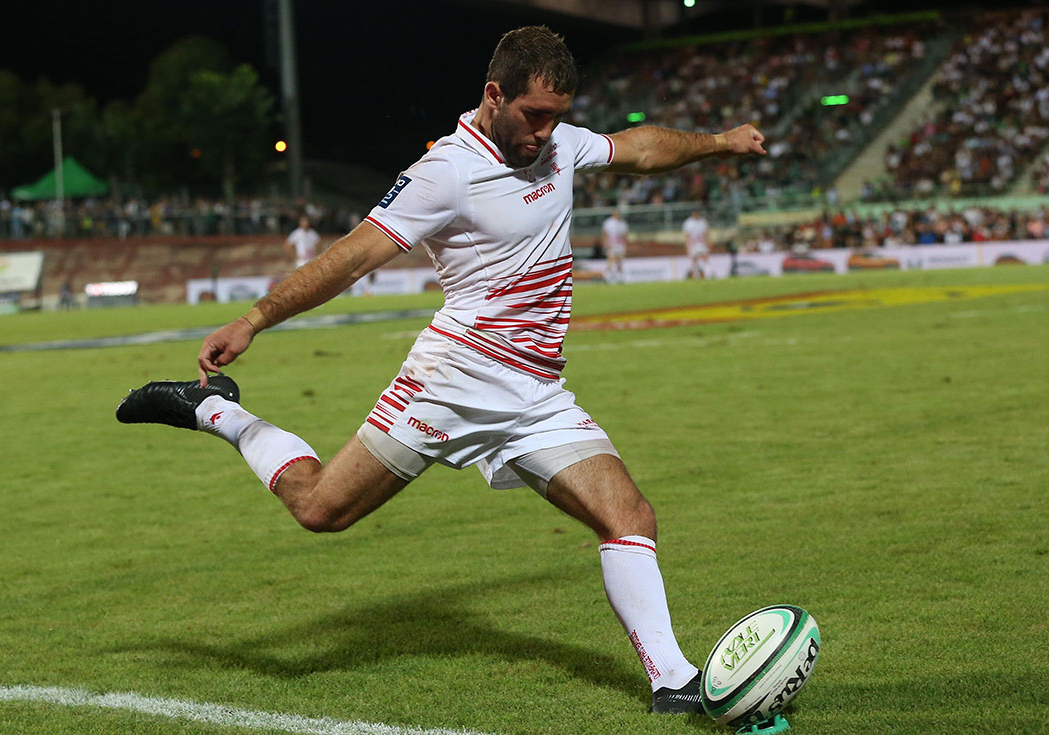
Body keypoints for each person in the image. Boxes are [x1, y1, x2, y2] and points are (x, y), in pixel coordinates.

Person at [117, 25, 766, 714]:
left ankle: (672, 681)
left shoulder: (558, 142)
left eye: (556, 116)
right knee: (318, 509)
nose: (546, 133)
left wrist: (720, 141)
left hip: (535, 392)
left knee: (629, 514)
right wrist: (252, 319)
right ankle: (216, 410)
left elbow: (637, 149)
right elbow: (352, 257)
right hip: (450, 383)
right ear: (494, 95)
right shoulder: (446, 171)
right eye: (533, 115)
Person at [601, 210, 629, 284]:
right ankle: (608, 275)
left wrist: (625, 245)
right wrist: (606, 243)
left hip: (620, 244)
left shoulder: (623, 223)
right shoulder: (608, 222)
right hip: (612, 244)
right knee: (611, 259)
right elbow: (605, 233)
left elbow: (625, 235)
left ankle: (620, 276)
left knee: (619, 260)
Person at [682, 209, 710, 279]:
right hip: (693, 244)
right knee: (694, 260)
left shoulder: (703, 222)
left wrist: (708, 243)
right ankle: (695, 275)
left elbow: (706, 233)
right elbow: (686, 235)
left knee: (704, 258)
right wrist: (687, 245)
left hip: (701, 243)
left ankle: (707, 274)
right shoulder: (688, 223)